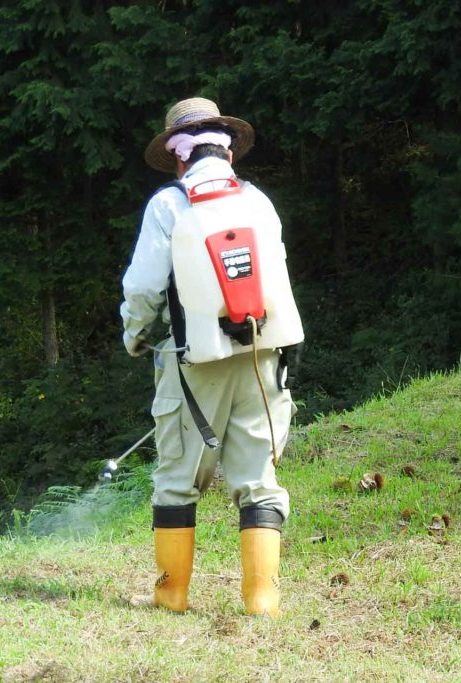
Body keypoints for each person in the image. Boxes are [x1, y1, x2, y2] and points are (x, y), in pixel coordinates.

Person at [120, 97, 303, 616]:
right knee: (258, 478)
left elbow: (143, 288)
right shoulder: (258, 201)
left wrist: (135, 335)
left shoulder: (168, 205)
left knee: (179, 479)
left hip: (192, 364)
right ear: (227, 152)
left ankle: (171, 595)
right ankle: (262, 600)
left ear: (179, 156)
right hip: (264, 355)